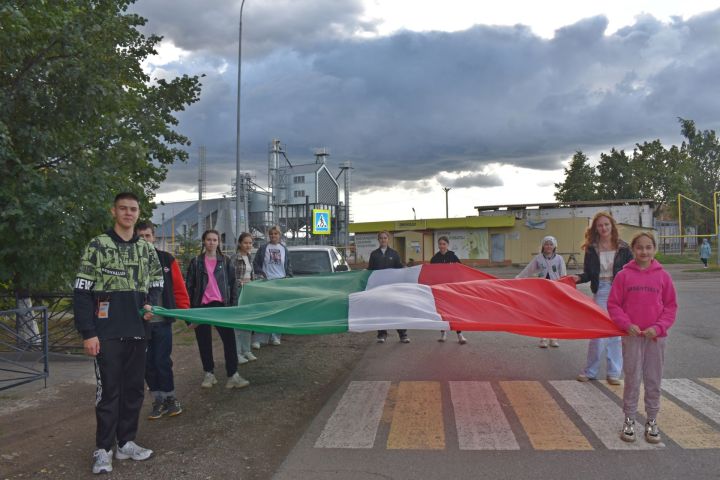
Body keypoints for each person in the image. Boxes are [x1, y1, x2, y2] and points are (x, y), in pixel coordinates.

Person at [73, 192, 162, 474]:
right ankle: (103, 449)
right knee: (109, 392)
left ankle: (126, 443)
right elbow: (81, 291)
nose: (128, 213)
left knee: (134, 390)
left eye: (133, 209)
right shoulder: (98, 245)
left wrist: (153, 307)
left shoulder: (146, 249)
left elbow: (158, 283)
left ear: (138, 213)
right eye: (123, 209)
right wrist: (88, 333)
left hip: (138, 331)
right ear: (114, 212)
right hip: (106, 333)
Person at [607, 232, 677, 444]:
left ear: (654, 249)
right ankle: (629, 419)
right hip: (632, 337)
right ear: (633, 250)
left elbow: (671, 307)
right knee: (632, 379)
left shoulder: (663, 276)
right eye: (640, 248)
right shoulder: (623, 276)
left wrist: (658, 327)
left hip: (655, 338)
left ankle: (652, 420)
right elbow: (614, 305)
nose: (644, 252)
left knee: (653, 380)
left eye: (648, 247)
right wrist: (626, 325)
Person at [135, 222, 190, 420]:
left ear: (153, 237)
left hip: (162, 321)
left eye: (147, 236)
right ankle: (157, 399)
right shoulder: (130, 261)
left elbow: (178, 287)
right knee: (147, 364)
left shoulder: (166, 259)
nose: (144, 239)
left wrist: (184, 312)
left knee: (162, 361)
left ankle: (170, 398)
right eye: (140, 236)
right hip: (141, 324)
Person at [572, 212, 633, 385]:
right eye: (600, 225)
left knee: (615, 333)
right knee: (597, 333)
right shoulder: (592, 248)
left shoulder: (624, 247)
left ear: (612, 225)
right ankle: (590, 371)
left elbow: (631, 272)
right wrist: (577, 277)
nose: (603, 228)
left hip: (619, 292)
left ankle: (614, 373)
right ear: (596, 229)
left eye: (606, 224)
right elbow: (589, 273)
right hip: (601, 291)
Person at [186, 229, 249, 389]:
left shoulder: (226, 261)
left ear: (218, 242)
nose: (212, 242)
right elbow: (189, 288)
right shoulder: (196, 262)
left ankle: (233, 375)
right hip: (201, 308)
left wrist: (233, 309)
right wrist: (189, 316)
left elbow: (233, 286)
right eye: (209, 239)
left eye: (215, 240)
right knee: (204, 342)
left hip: (222, 307)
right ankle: (209, 374)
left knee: (229, 341)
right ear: (203, 241)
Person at [516, 235, 567, 348]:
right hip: (542, 289)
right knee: (543, 313)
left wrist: (565, 287)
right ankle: (543, 338)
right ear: (543, 246)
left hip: (555, 289)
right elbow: (529, 269)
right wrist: (518, 278)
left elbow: (563, 274)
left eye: (551, 244)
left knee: (554, 313)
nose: (548, 246)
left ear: (554, 246)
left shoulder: (559, 259)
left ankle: (553, 338)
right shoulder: (538, 258)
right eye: (546, 244)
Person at [252, 225, 293, 347]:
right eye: (271, 234)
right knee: (264, 310)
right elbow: (256, 264)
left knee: (278, 310)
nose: (273, 236)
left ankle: (275, 336)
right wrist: (261, 274)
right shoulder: (263, 248)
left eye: (276, 233)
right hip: (266, 283)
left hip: (280, 283)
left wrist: (289, 277)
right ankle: (259, 338)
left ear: (280, 235)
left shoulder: (284, 249)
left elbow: (288, 265)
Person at [368, 230, 410, 344]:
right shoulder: (374, 254)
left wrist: (406, 269)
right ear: (378, 240)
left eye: (385, 238)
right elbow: (370, 271)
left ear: (388, 239)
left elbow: (399, 267)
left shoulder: (394, 253)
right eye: (381, 238)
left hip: (392, 288)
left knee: (396, 310)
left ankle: (403, 334)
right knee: (380, 311)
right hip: (379, 289)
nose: (383, 240)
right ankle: (381, 334)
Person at [431, 236, 467, 344]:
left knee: (454, 311)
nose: (442, 246)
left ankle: (460, 334)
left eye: (444, 244)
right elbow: (431, 275)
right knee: (442, 312)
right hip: (440, 289)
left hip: (451, 288)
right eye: (440, 244)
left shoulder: (453, 257)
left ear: (447, 245)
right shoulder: (434, 259)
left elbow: (460, 270)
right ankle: (443, 333)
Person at [231, 232, 258, 363]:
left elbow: (252, 275)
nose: (248, 245)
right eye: (245, 243)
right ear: (240, 244)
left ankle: (246, 350)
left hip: (249, 292)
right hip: (238, 292)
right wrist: (241, 282)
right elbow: (230, 278)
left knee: (248, 322)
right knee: (238, 323)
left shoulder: (249, 257)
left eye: (250, 243)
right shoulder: (234, 258)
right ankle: (237, 353)